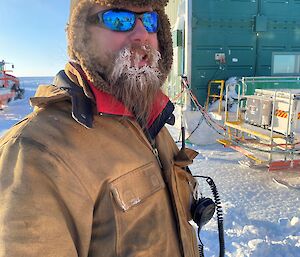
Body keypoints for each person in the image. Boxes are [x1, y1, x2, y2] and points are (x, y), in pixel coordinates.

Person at [0, 0, 200, 256]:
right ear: (81, 35)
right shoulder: (35, 155)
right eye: (119, 19)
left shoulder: (150, 122)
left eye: (150, 21)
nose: (142, 35)